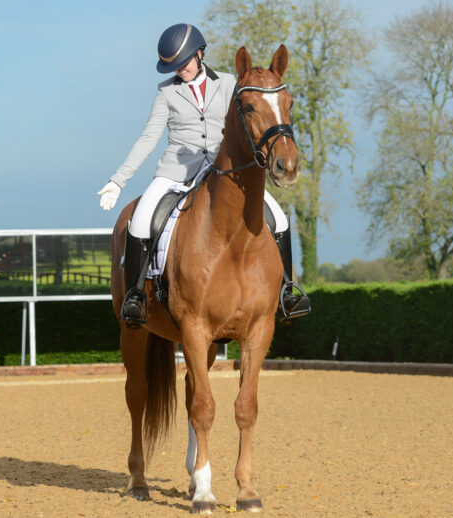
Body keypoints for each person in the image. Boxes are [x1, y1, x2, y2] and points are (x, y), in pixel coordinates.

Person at [97, 23, 310, 326]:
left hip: (223, 171)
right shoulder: (166, 92)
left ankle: (287, 292)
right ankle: (136, 296)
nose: (179, 69)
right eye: (173, 66)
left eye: (184, 62)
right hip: (176, 171)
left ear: (200, 54)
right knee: (141, 220)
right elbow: (149, 138)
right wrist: (118, 181)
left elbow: (248, 122)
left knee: (279, 218)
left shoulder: (228, 84)